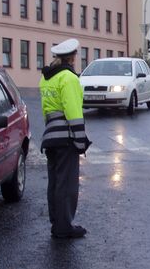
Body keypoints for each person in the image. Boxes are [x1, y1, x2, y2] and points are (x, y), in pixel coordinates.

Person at [39, 38, 91, 239]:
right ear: (72, 57)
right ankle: (64, 226)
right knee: (67, 184)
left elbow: (45, 111)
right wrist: (80, 140)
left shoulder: (46, 78)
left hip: (50, 136)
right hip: (65, 137)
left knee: (54, 182)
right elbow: (73, 111)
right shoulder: (68, 78)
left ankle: (56, 222)